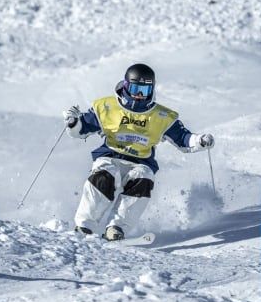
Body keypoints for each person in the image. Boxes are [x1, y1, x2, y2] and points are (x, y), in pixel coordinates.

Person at [63, 63, 215, 241]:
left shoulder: (161, 116)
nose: (139, 95)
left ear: (152, 89)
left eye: (144, 89)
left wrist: (199, 140)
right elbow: (81, 130)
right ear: (126, 86)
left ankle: (116, 228)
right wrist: (73, 122)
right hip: (110, 156)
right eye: (135, 88)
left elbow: (183, 139)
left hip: (141, 162)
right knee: (105, 176)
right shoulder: (106, 107)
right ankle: (84, 226)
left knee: (143, 179)